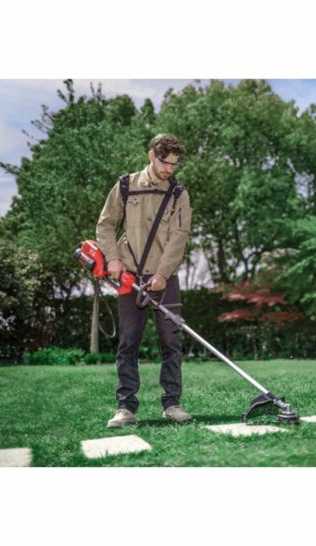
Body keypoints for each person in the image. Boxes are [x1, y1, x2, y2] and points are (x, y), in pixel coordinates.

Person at [96, 133, 192, 428]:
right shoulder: (126, 186)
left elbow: (179, 237)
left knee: (171, 342)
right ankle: (125, 407)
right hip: (130, 276)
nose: (169, 169)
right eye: (165, 163)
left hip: (165, 277)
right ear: (152, 156)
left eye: (174, 164)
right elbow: (106, 224)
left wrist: (162, 274)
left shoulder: (178, 193)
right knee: (128, 342)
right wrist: (112, 258)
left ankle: (172, 404)